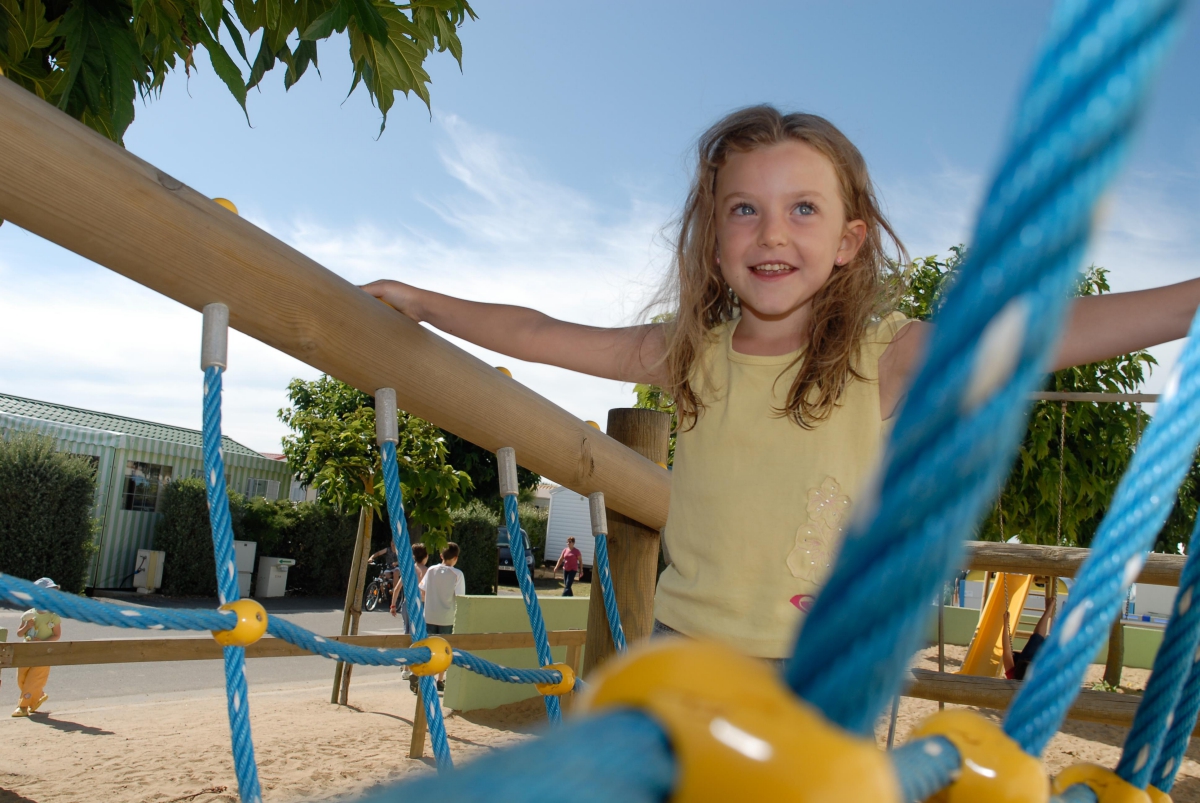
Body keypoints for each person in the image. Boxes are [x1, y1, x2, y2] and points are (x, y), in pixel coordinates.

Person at [363, 106, 1200, 660]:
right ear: (715, 235)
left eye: (804, 208)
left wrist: (1188, 302)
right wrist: (426, 301)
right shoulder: (692, 352)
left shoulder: (884, 356)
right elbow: (541, 334)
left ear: (848, 239)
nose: (771, 232)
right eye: (744, 209)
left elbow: (1041, 331)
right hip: (683, 648)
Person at [419, 543, 465, 692]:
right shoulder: (457, 574)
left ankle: (428, 676)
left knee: (428, 647)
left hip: (430, 614)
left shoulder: (431, 570)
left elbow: (423, 590)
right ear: (455, 558)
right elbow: (460, 597)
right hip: (447, 617)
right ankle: (440, 679)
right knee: (445, 649)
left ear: (441, 556)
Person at [13, 577, 62, 717]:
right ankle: (38, 695)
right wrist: (27, 626)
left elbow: (57, 635)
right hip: (26, 651)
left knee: (34, 679)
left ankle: (23, 707)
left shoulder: (53, 617)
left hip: (43, 652)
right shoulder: (28, 615)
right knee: (21, 679)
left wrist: (42, 642)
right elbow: (19, 633)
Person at [1002, 578, 1057, 681]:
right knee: (1040, 638)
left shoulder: (1013, 675)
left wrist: (1005, 624)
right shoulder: (1038, 679)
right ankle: (1048, 612)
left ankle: (1048, 612)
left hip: (1026, 660)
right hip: (1038, 662)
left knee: (1037, 639)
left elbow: (1007, 651)